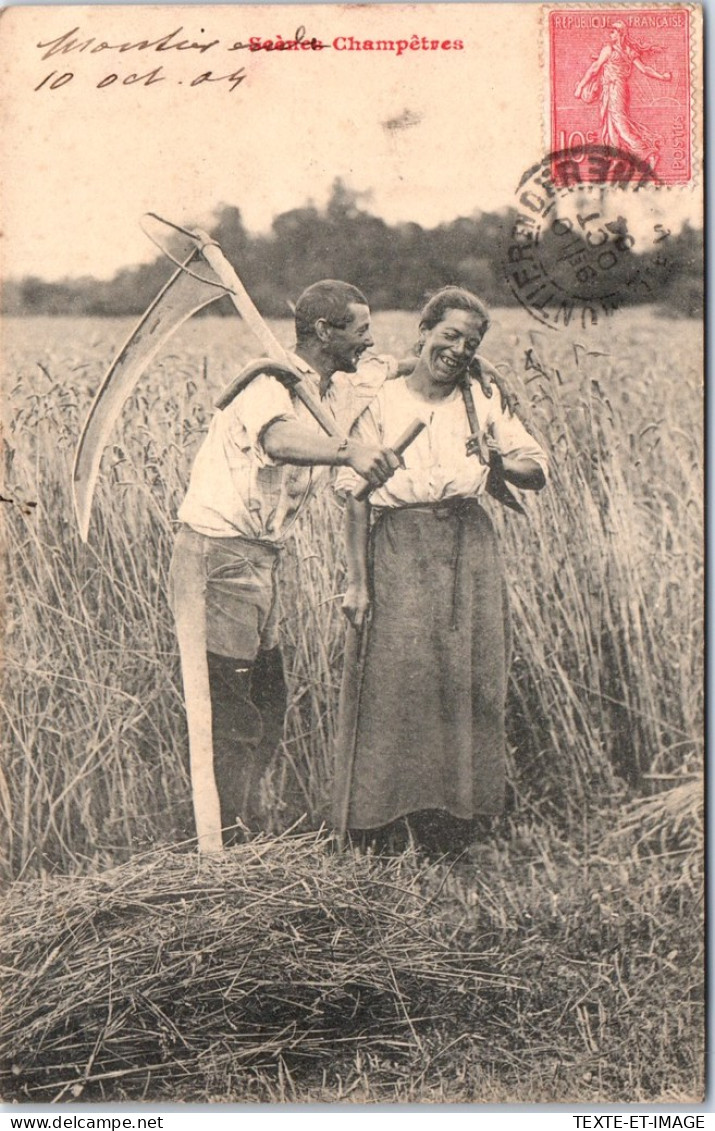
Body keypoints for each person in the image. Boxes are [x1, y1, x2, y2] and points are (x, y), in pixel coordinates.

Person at [169, 280, 404, 852]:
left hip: (262, 563)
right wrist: (350, 451)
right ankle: (220, 848)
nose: (368, 342)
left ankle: (241, 832)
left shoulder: (327, 390)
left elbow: (392, 366)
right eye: (360, 330)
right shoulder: (267, 384)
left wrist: (470, 365)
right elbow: (276, 440)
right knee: (233, 711)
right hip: (216, 558)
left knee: (267, 703)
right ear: (325, 332)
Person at [332, 287, 548, 855]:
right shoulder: (381, 400)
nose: (456, 349)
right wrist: (357, 582)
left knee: (465, 681)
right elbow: (355, 496)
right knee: (395, 684)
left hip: (467, 552)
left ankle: (451, 825)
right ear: (424, 331)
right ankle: (376, 826)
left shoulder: (481, 400)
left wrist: (497, 457)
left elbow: (537, 469)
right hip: (399, 549)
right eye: (448, 335)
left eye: (469, 342)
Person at [574, 20, 672, 168]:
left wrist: (580, 87)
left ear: (620, 33)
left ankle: (648, 153)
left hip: (616, 89)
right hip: (614, 89)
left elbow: (595, 69)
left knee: (620, 124)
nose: (610, 34)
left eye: (612, 31)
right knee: (611, 124)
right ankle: (616, 159)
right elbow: (644, 69)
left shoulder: (611, 50)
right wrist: (662, 76)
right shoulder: (626, 50)